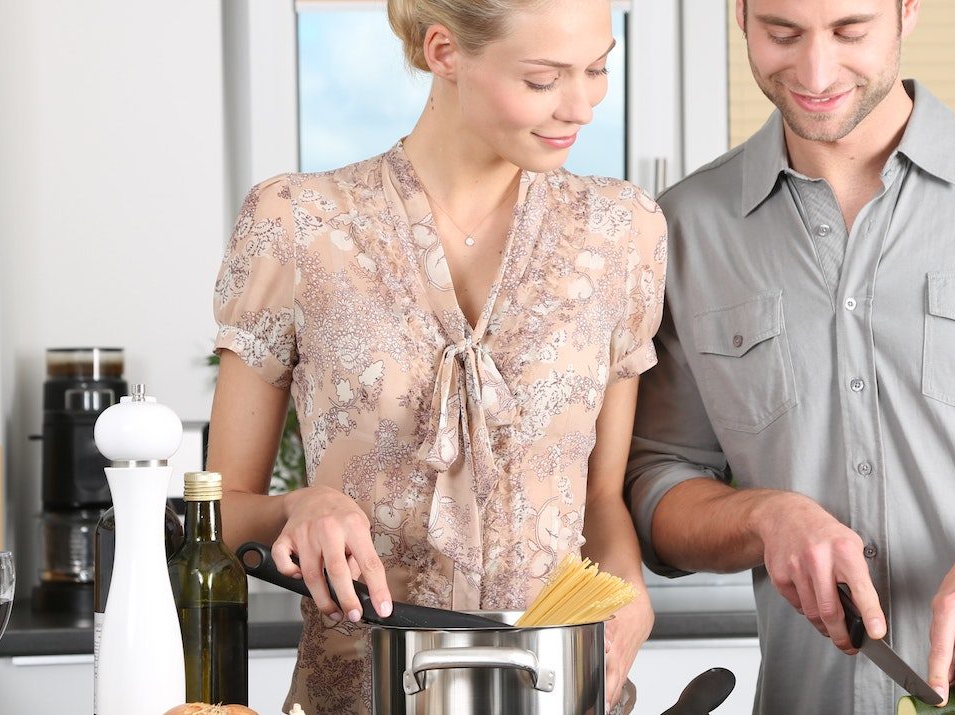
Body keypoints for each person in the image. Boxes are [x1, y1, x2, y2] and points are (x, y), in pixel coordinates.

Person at [624, 1, 955, 713]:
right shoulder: (690, 227)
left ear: (907, 9)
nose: (816, 71)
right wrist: (767, 516)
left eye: (850, 31)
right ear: (740, 14)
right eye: (781, 33)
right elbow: (656, 485)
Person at [206, 0, 665, 711]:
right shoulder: (297, 224)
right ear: (445, 52)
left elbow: (602, 498)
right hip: (359, 695)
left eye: (599, 68)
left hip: (560, 694)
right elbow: (213, 516)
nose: (583, 105)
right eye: (544, 79)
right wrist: (302, 504)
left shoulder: (621, 232)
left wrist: (629, 592)